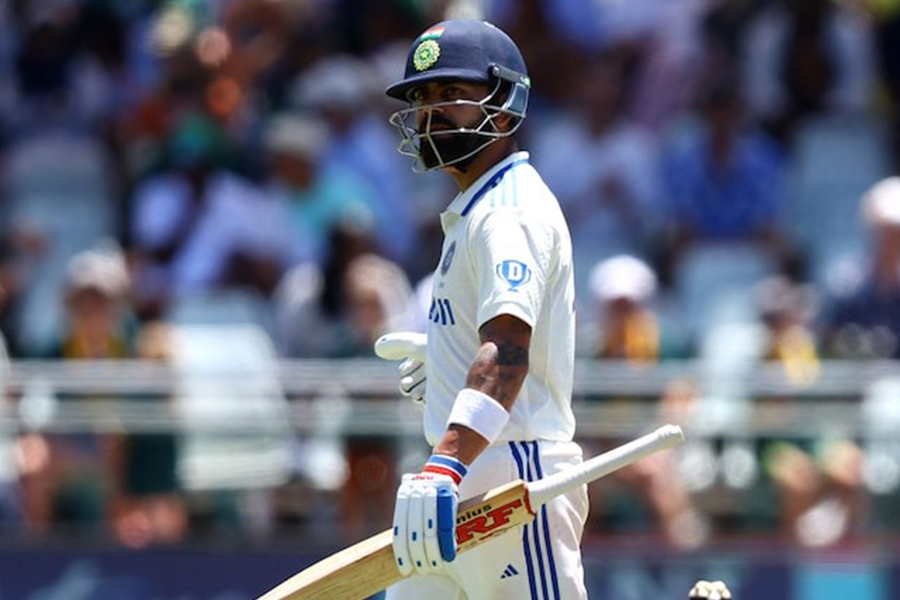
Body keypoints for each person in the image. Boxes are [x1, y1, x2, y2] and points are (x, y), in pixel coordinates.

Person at [375, 19, 589, 600]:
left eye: (450, 95)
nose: (431, 114)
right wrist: (448, 358)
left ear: (501, 102)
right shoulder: (477, 209)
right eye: (422, 99)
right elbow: (493, 342)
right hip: (460, 478)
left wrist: (445, 466)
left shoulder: (506, 212)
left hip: (510, 481)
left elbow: (510, 354)